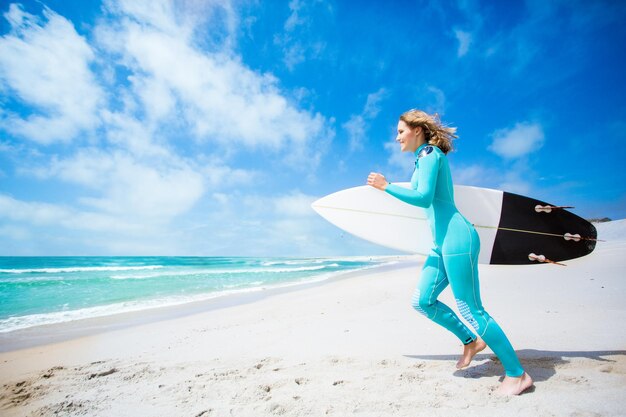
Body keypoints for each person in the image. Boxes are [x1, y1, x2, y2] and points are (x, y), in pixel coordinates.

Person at [367, 109, 533, 395]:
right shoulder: (421, 160)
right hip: (440, 244)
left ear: (417, 130)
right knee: (423, 301)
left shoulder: (430, 154)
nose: (396, 138)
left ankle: (517, 374)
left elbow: (423, 197)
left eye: (400, 131)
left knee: (471, 308)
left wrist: (386, 186)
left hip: (457, 239)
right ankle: (470, 340)